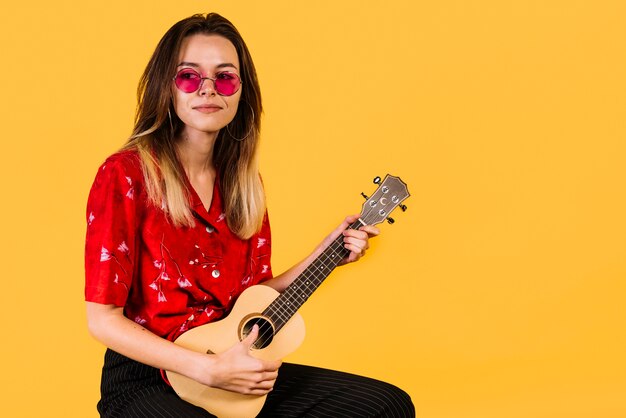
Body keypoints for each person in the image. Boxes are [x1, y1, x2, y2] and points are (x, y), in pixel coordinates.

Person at [85, 12, 415, 418]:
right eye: (189, 76)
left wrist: (326, 253)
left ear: (241, 92)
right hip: (149, 376)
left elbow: (252, 302)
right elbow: (102, 320)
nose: (208, 89)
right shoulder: (126, 174)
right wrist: (207, 369)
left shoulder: (244, 185)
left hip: (234, 362)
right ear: (166, 88)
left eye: (225, 77)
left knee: (388, 406)